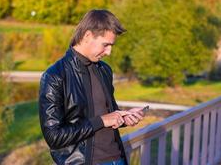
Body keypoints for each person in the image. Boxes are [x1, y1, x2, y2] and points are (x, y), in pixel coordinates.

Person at [39, 9, 145, 165]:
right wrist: (101, 121)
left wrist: (124, 117)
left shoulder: (105, 70)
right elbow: (54, 137)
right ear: (87, 36)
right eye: (106, 45)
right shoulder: (54, 76)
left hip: (118, 159)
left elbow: (108, 115)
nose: (109, 52)